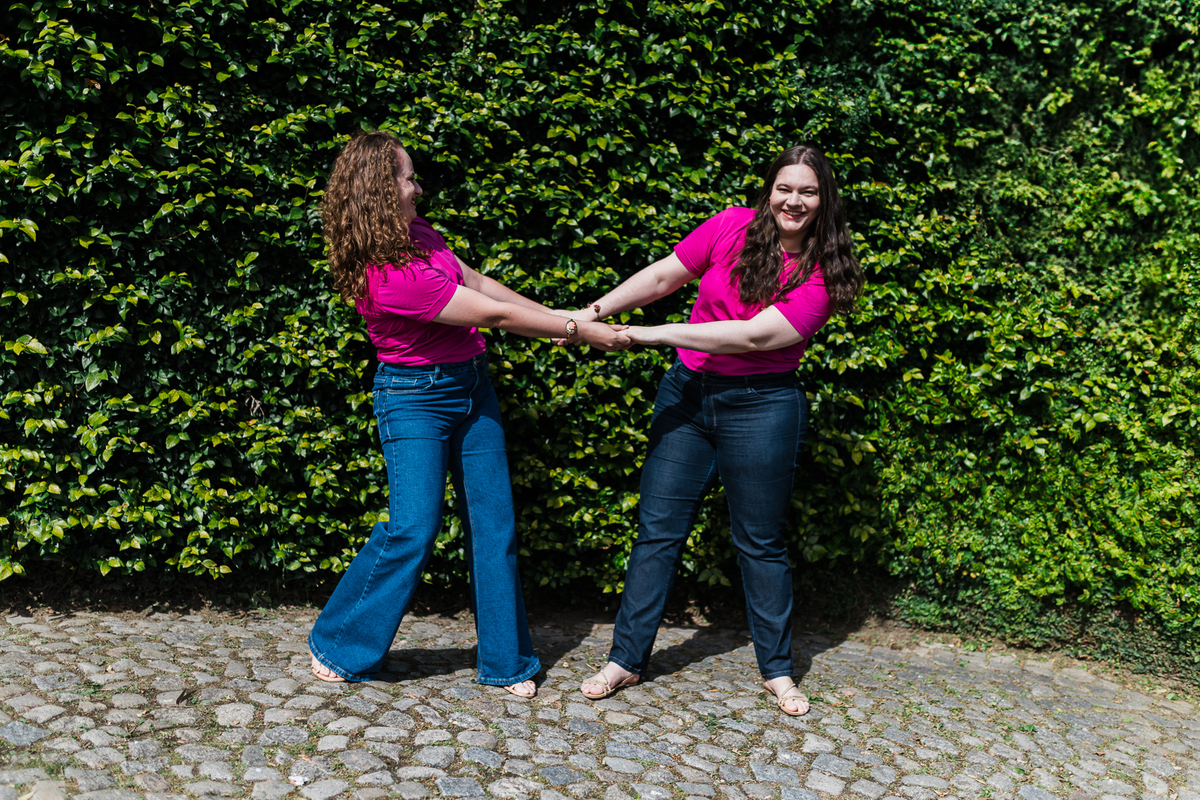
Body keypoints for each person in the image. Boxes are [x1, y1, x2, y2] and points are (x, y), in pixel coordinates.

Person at [308, 130, 630, 697]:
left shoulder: (420, 237)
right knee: (413, 527)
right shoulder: (388, 275)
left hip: (472, 387)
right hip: (414, 400)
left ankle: (507, 662)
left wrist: (560, 315)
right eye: (409, 177)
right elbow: (493, 317)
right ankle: (339, 641)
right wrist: (579, 331)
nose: (418, 186)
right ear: (383, 190)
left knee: (494, 523)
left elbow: (478, 283)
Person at [569, 144, 863, 715]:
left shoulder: (824, 274)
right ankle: (625, 660)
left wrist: (648, 336)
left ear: (824, 200)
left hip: (761, 408)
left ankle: (777, 671)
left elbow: (750, 337)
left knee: (760, 541)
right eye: (785, 188)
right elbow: (662, 275)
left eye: (807, 191)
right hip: (687, 395)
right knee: (657, 531)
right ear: (769, 190)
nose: (793, 200)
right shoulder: (730, 228)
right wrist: (594, 313)